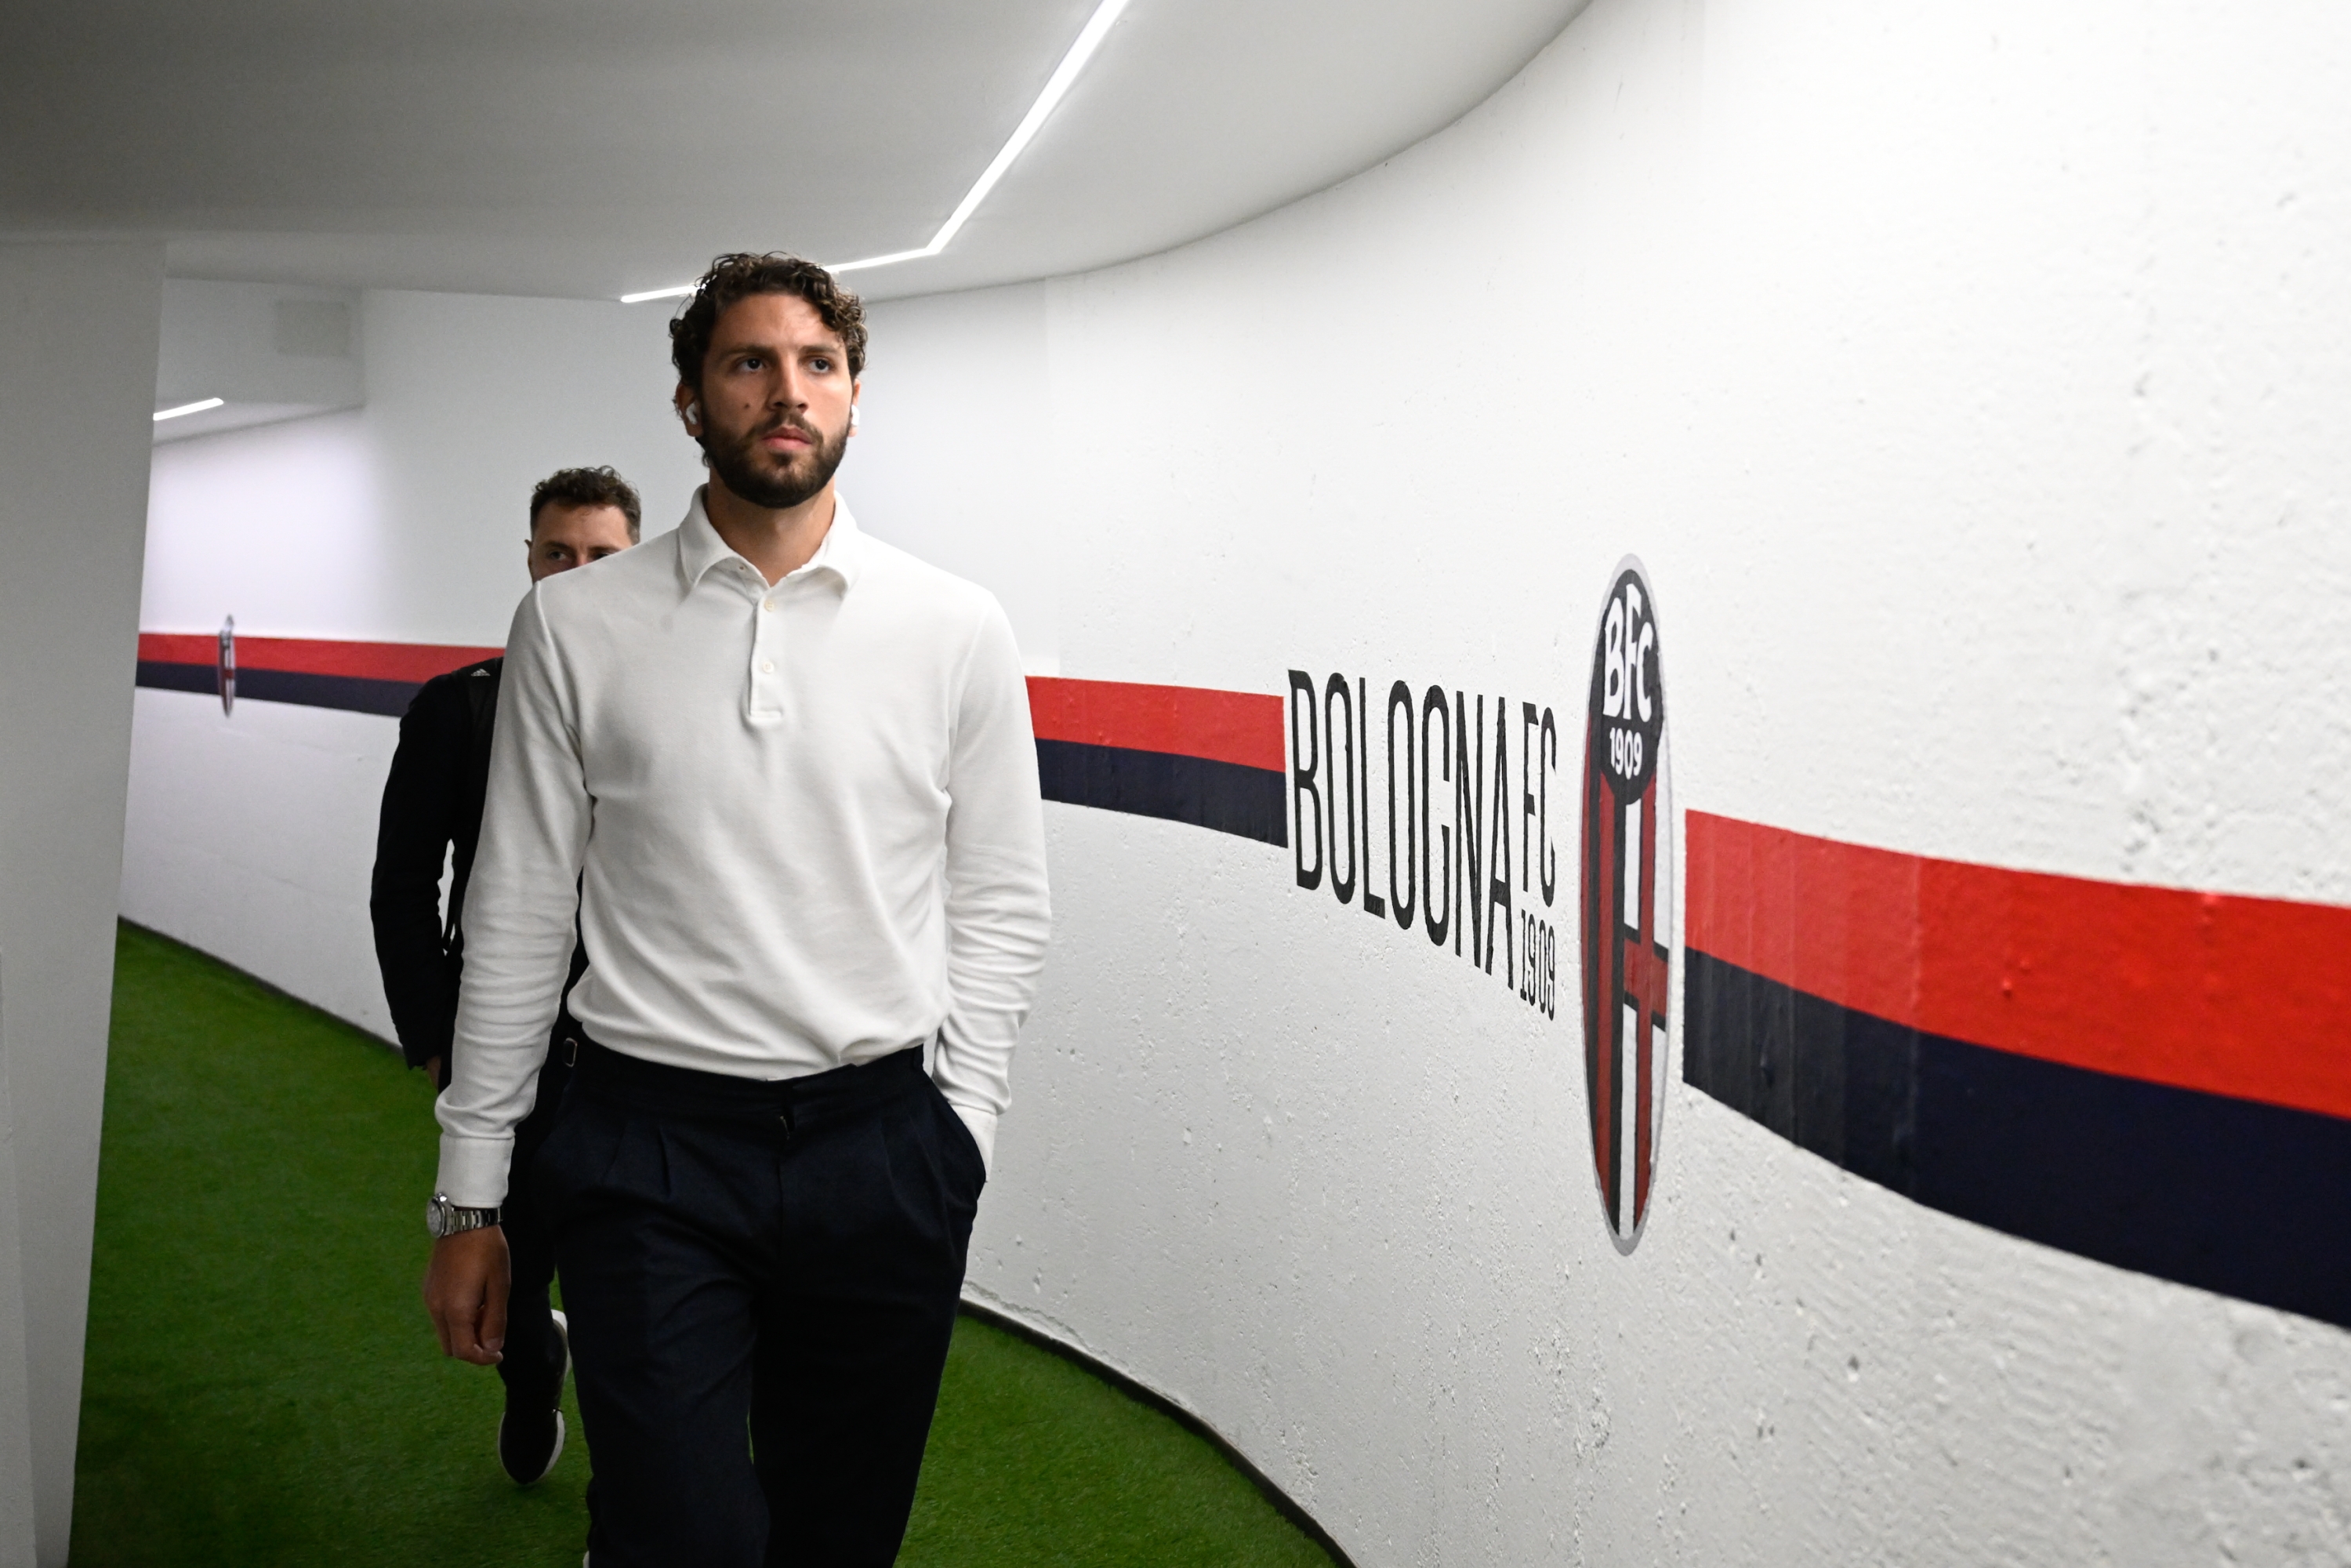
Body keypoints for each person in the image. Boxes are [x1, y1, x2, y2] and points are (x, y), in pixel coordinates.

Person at [419, 252, 1051, 1566]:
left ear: (855, 398)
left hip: (882, 1149)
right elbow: (521, 909)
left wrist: (964, 1127)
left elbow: (999, 893)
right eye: (748, 362)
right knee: (677, 1533)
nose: (786, 392)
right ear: (690, 400)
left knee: (841, 1540)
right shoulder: (577, 627)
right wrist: (471, 1200)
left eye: (817, 364)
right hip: (649, 1151)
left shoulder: (957, 627)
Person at [372, 465, 642, 1486]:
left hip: (633, 1049)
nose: (575, 574)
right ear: (528, 563)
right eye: (557, 554)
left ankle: (628, 1513)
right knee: (514, 1288)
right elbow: (403, 886)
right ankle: (536, 1379)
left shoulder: (667, 708)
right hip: (503, 1045)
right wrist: (437, 1036)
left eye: (602, 557)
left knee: (644, 1300)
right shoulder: (460, 711)